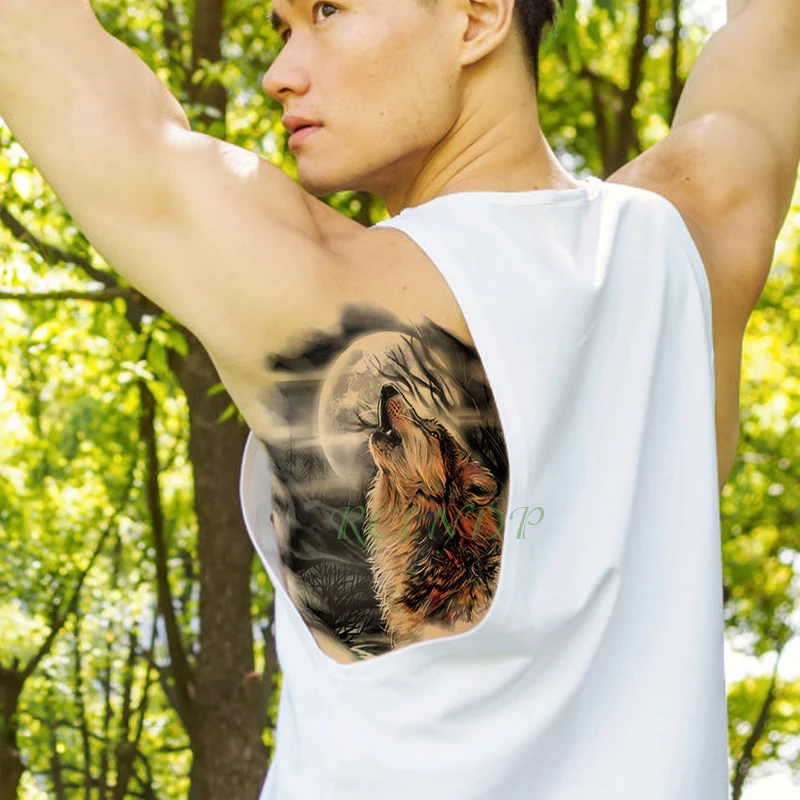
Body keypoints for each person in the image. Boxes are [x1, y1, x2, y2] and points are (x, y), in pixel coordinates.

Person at [2, 0, 798, 797]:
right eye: (283, 30)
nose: (278, 74)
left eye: (327, 10)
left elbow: (32, 37)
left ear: (478, 18)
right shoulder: (695, 231)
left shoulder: (313, 290)